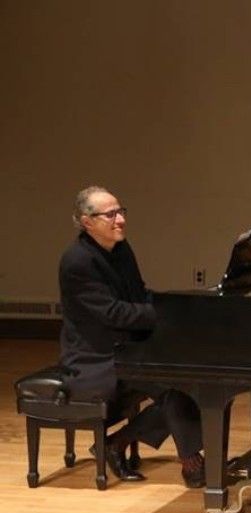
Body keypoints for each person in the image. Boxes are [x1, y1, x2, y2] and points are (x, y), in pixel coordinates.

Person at [58, 186, 204, 487]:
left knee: (192, 377)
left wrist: (173, 306)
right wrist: (162, 316)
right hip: (95, 357)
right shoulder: (77, 262)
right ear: (87, 222)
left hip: (126, 346)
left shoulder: (120, 249)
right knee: (176, 385)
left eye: (121, 211)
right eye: (110, 214)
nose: (120, 219)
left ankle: (118, 442)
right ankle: (191, 461)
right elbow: (112, 313)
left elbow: (139, 294)